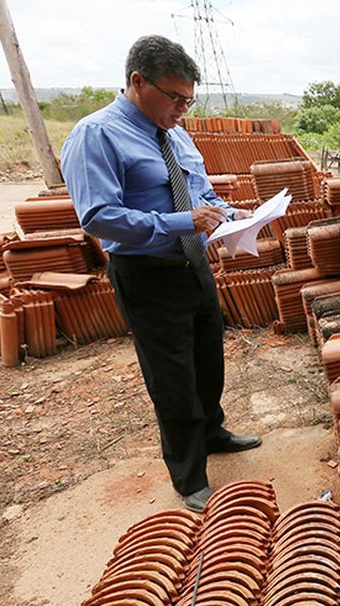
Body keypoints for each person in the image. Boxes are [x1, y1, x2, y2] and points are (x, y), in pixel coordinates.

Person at [61, 35, 261, 512]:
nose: (182, 109)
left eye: (188, 100)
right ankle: (188, 473)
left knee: (207, 354)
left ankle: (212, 432)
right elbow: (99, 216)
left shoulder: (175, 132)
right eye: (175, 98)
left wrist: (232, 215)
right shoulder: (97, 135)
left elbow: (201, 194)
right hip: (147, 271)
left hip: (192, 262)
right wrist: (180, 222)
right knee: (171, 374)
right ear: (137, 82)